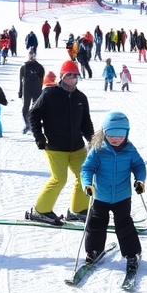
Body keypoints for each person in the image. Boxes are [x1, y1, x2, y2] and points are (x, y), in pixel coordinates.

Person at [28, 60, 94, 224]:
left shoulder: (81, 97)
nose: (72, 78)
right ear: (62, 77)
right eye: (68, 75)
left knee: (85, 176)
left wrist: (92, 141)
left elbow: (86, 122)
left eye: (75, 75)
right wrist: (39, 137)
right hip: (55, 146)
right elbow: (33, 115)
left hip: (77, 147)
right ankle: (39, 211)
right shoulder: (49, 94)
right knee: (59, 179)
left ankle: (78, 210)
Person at [80, 111, 146, 273]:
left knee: (124, 224)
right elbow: (87, 168)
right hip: (100, 195)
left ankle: (132, 254)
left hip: (122, 196)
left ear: (127, 133)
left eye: (120, 134)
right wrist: (87, 184)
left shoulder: (130, 150)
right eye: (110, 134)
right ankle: (94, 250)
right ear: (104, 132)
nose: (115, 138)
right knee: (96, 224)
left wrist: (139, 180)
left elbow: (139, 166)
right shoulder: (98, 150)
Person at [19, 49, 45, 134]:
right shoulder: (24, 67)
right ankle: (27, 124)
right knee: (25, 107)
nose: (32, 56)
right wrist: (20, 91)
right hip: (27, 89)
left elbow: (42, 79)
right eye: (30, 54)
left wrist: (41, 90)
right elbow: (21, 80)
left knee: (35, 108)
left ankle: (34, 124)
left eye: (33, 55)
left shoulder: (39, 67)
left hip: (36, 89)